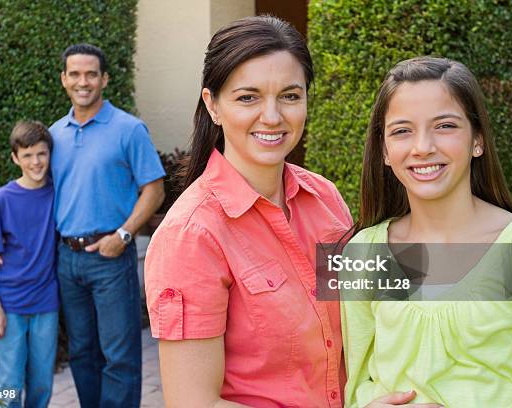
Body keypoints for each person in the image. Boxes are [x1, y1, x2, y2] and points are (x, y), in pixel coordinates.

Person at [143, 15, 355, 407]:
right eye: (248, 97)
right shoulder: (192, 235)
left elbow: (390, 297)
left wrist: (502, 260)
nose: (272, 117)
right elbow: (193, 403)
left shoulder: (324, 198)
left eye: (290, 95)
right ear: (213, 105)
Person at [341, 56, 512, 407]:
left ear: (477, 140)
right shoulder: (362, 252)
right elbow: (353, 384)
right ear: (384, 151)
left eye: (445, 126)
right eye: (402, 131)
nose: (423, 147)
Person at [49, 43, 165, 407]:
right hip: (67, 259)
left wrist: (123, 234)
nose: (83, 82)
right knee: (82, 352)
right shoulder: (54, 135)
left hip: (111, 257)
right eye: (75, 74)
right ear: (64, 79)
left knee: (119, 354)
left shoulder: (128, 129)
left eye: (91, 74)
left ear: (104, 79)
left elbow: (155, 189)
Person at [0, 121, 59, 408]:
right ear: (15, 158)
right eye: (27, 155)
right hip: (9, 305)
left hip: (46, 303)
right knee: (9, 385)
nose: (35, 162)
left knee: (41, 383)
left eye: (41, 154)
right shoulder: (2, 199)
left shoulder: (56, 194)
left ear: (50, 154)